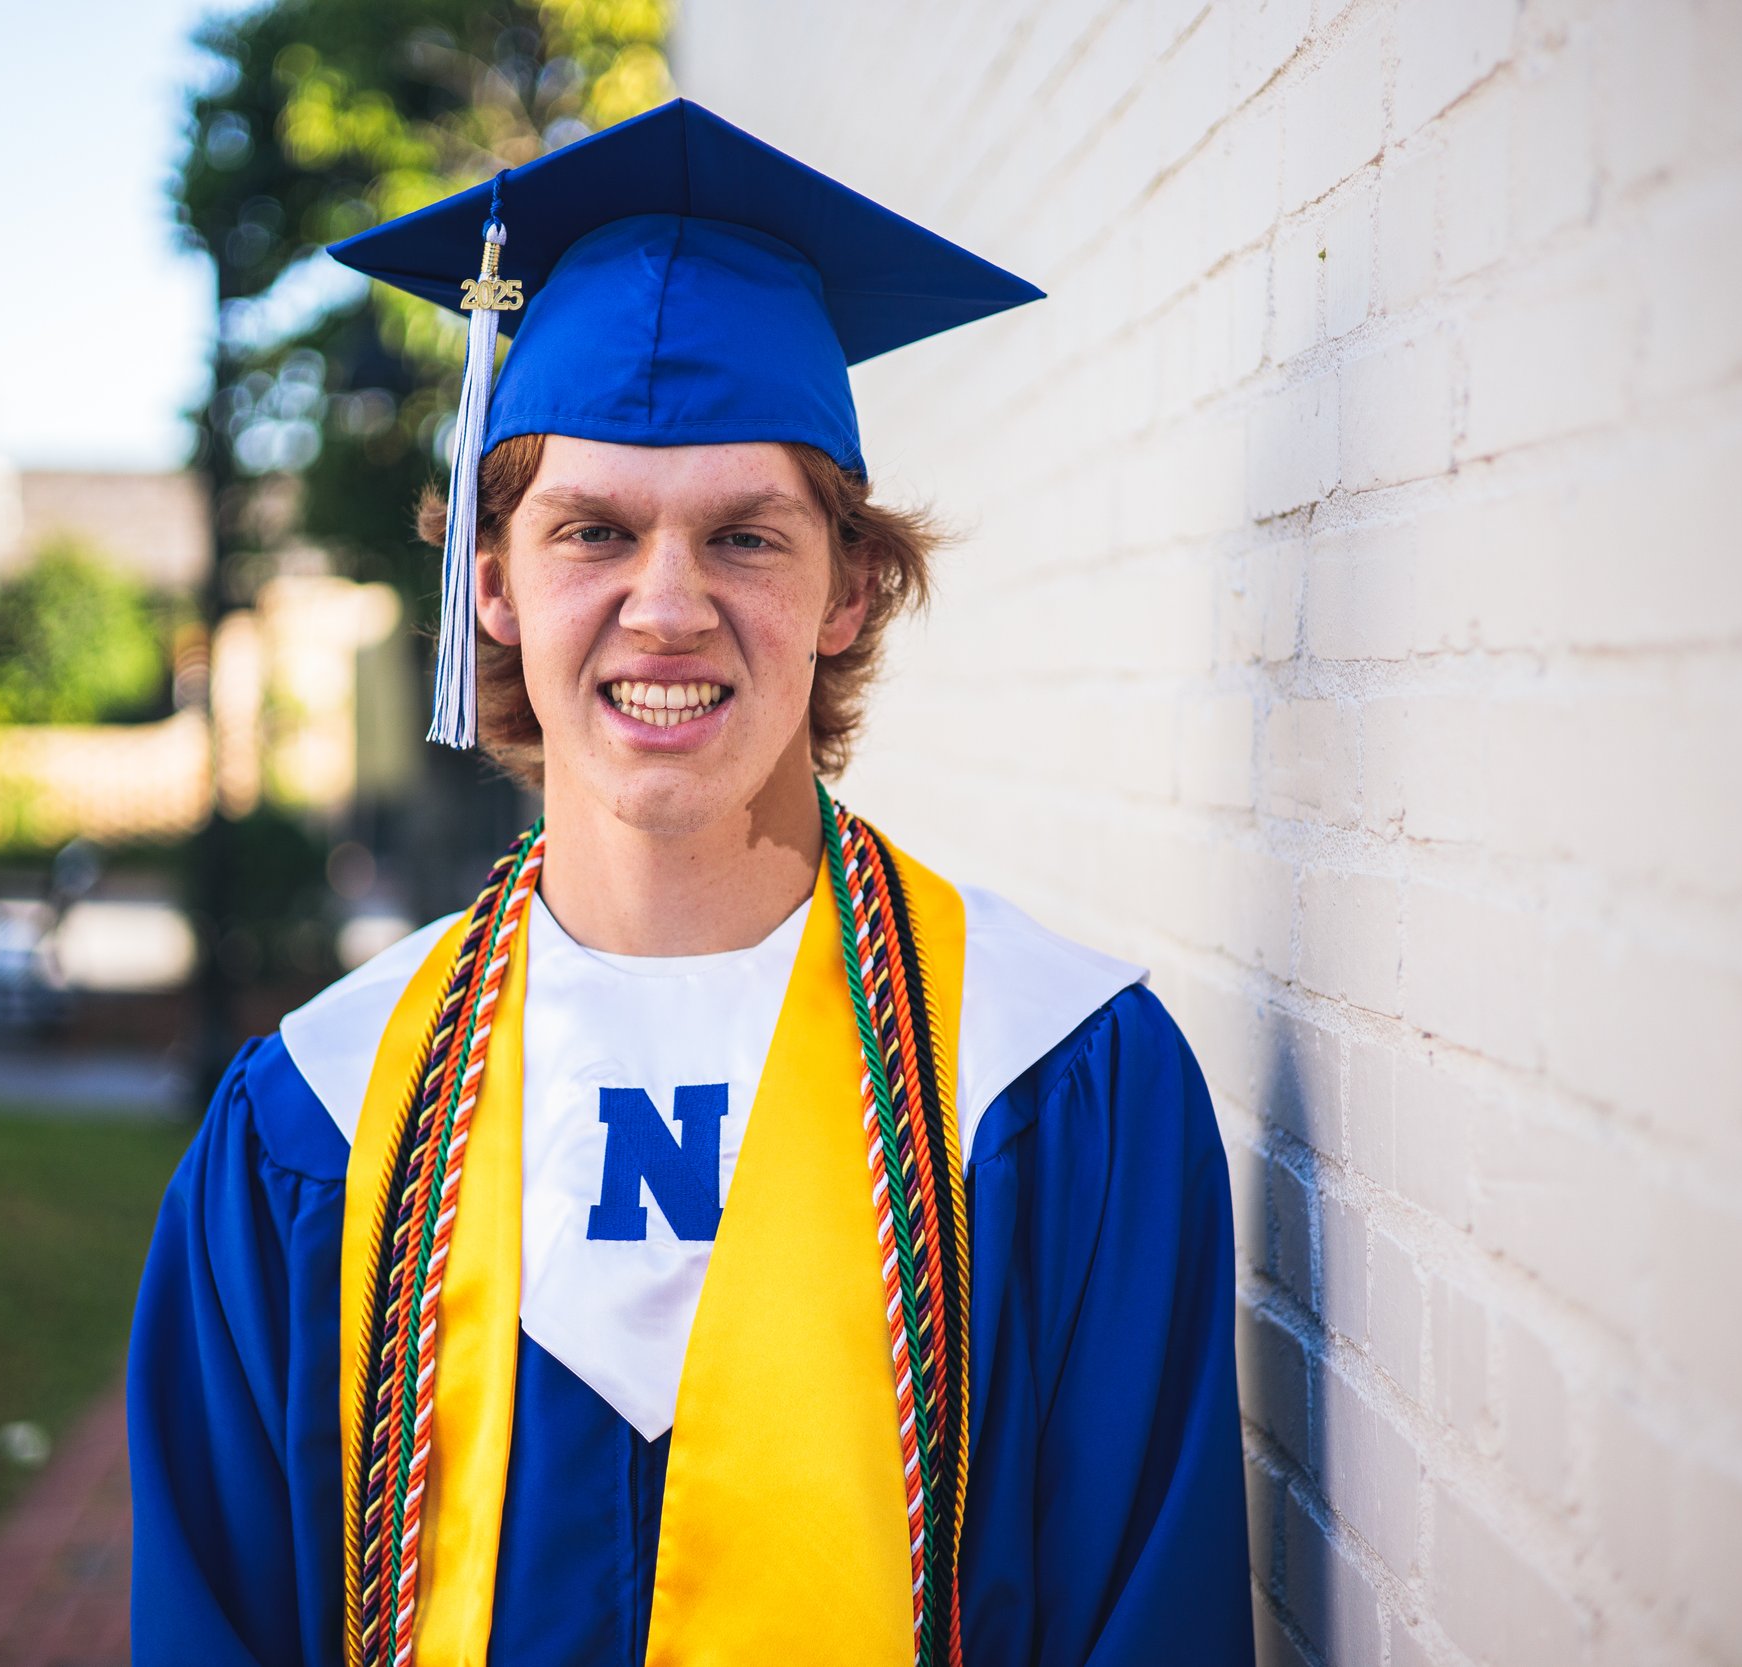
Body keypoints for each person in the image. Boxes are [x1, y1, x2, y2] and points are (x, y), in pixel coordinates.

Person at [128, 99, 1253, 1667]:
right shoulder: (313, 1122)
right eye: (592, 529)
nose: (667, 608)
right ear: (493, 581)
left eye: (746, 536)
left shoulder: (1058, 1088)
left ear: (852, 587)